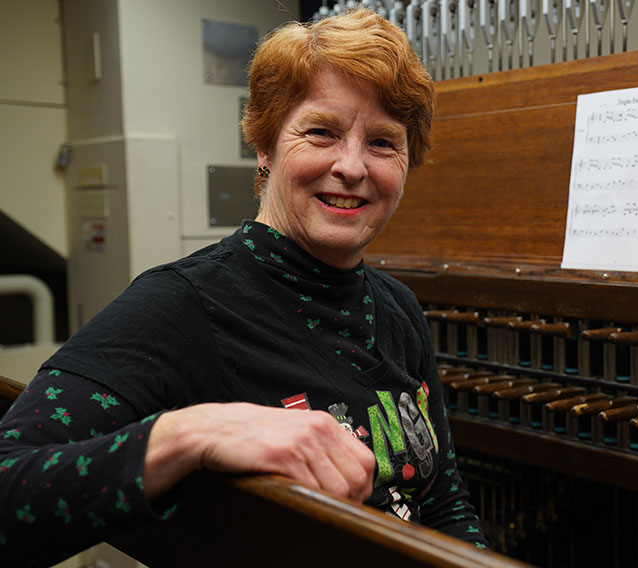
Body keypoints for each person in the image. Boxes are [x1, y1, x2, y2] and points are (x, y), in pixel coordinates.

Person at [0, 8, 486, 567]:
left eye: (382, 142)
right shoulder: (179, 306)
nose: (352, 166)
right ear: (265, 145)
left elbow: (445, 502)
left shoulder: (398, 307)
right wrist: (188, 433)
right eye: (321, 132)